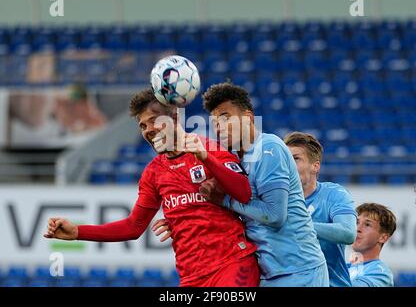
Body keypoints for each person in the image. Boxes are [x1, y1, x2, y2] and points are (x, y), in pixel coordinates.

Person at [44, 88, 260, 287]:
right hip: (191, 276)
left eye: (153, 121)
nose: (148, 130)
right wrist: (78, 231)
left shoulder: (211, 149)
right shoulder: (154, 173)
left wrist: (206, 159)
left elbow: (244, 193)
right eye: (142, 125)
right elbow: (133, 226)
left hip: (232, 264)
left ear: (174, 118)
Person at [156, 83, 329, 287]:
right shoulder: (236, 159)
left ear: (248, 118)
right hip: (269, 272)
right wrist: (183, 219)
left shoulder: (268, 148)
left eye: (225, 117)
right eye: (215, 122)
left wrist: (225, 200)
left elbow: (275, 216)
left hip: (300, 270)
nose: (219, 127)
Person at [283, 132, 357, 287]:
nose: (288, 165)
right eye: (285, 159)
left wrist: (299, 225)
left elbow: (348, 233)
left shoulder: (333, 194)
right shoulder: (274, 199)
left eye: (295, 159)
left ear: (315, 166)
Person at [348, 203, 396, 287]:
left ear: (383, 238)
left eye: (367, 224)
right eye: (356, 222)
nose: (357, 229)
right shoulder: (343, 268)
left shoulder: (381, 273)